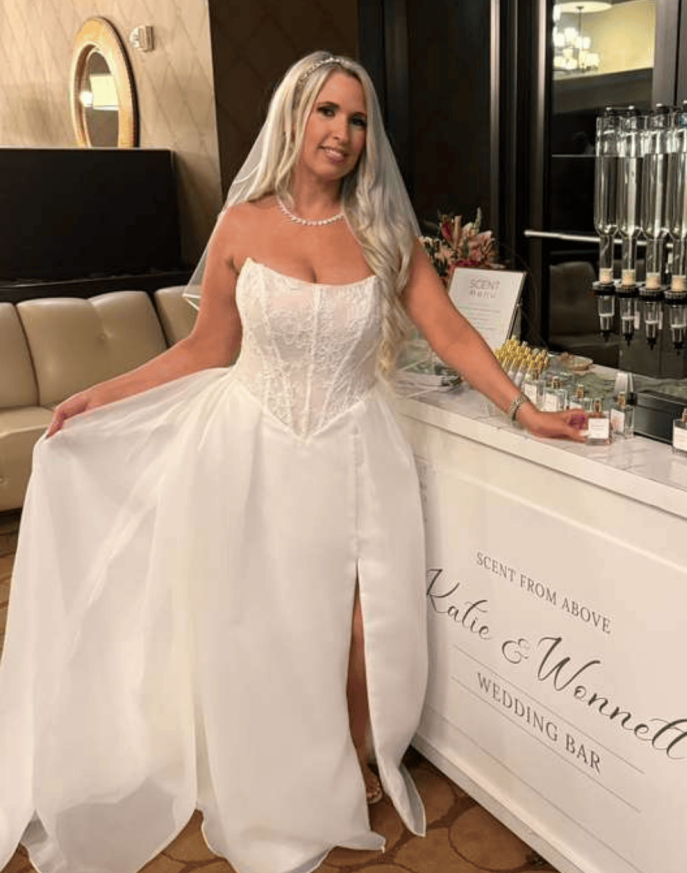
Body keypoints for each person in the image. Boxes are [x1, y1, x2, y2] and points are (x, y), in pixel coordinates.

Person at [0, 52, 586, 873]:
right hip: (251, 450)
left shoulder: (385, 233)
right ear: (295, 116)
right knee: (260, 620)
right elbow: (207, 348)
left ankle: (350, 752)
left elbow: (451, 331)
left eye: (357, 119)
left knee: (360, 623)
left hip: (353, 450)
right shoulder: (242, 224)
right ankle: (261, 761)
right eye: (327, 112)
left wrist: (526, 410)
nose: (342, 132)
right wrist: (101, 394)